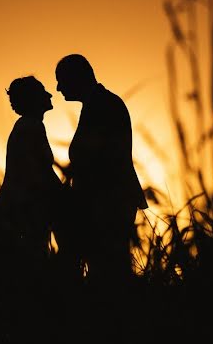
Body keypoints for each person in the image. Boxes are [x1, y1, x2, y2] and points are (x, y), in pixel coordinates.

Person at [55, 54, 147, 282]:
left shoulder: (103, 105)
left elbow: (102, 160)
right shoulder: (98, 104)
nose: (57, 88)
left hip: (107, 204)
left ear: (76, 77)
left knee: (108, 273)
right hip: (103, 202)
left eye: (61, 80)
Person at [0, 76, 64, 263]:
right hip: (14, 219)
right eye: (43, 91)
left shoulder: (27, 126)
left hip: (12, 216)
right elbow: (40, 173)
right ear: (33, 98)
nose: (50, 94)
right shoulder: (30, 126)